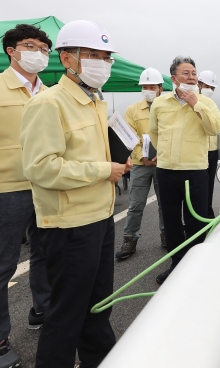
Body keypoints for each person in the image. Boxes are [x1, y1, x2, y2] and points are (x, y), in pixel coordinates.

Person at [20, 20, 131, 368]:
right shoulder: (48, 104)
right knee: (66, 315)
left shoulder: (95, 103)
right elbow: (41, 168)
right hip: (69, 225)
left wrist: (117, 163)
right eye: (93, 55)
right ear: (67, 58)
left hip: (100, 216)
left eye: (106, 56)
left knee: (98, 307)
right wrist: (104, 170)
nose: (102, 62)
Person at [0, 24, 52, 368]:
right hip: (8, 189)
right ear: (12, 51)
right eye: (31, 46)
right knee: (2, 265)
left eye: (44, 49)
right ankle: (1, 339)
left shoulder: (48, 93)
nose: (39, 53)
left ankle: (42, 309)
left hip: (46, 186)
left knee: (46, 255)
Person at [150, 56, 220, 284]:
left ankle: (196, 267)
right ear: (173, 78)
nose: (191, 77)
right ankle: (176, 264)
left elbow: (214, 129)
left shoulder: (207, 103)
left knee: (195, 222)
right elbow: (154, 132)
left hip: (195, 171)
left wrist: (195, 104)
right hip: (166, 170)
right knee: (171, 221)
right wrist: (165, 151)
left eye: (193, 73)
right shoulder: (160, 103)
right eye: (185, 73)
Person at [115, 68, 166, 260]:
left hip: (164, 165)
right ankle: (129, 239)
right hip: (140, 164)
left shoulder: (169, 107)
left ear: (160, 88)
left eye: (152, 86)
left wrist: (163, 155)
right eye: (144, 86)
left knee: (165, 204)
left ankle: (166, 236)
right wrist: (142, 156)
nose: (148, 90)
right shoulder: (133, 110)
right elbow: (130, 138)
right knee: (136, 204)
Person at [197, 70, 220, 218]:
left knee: (209, 185)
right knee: (198, 187)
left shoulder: (212, 105)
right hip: (198, 152)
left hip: (212, 151)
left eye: (213, 88)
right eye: (207, 86)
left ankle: (207, 213)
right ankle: (198, 216)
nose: (210, 90)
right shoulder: (191, 103)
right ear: (198, 85)